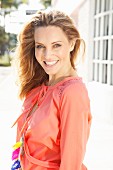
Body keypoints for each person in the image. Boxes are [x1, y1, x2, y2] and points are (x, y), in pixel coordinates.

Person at [11, 9, 92, 170]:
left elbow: (71, 164)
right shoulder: (36, 88)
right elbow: (21, 144)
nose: (47, 55)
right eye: (40, 46)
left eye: (56, 45)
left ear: (72, 44)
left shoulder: (72, 93)